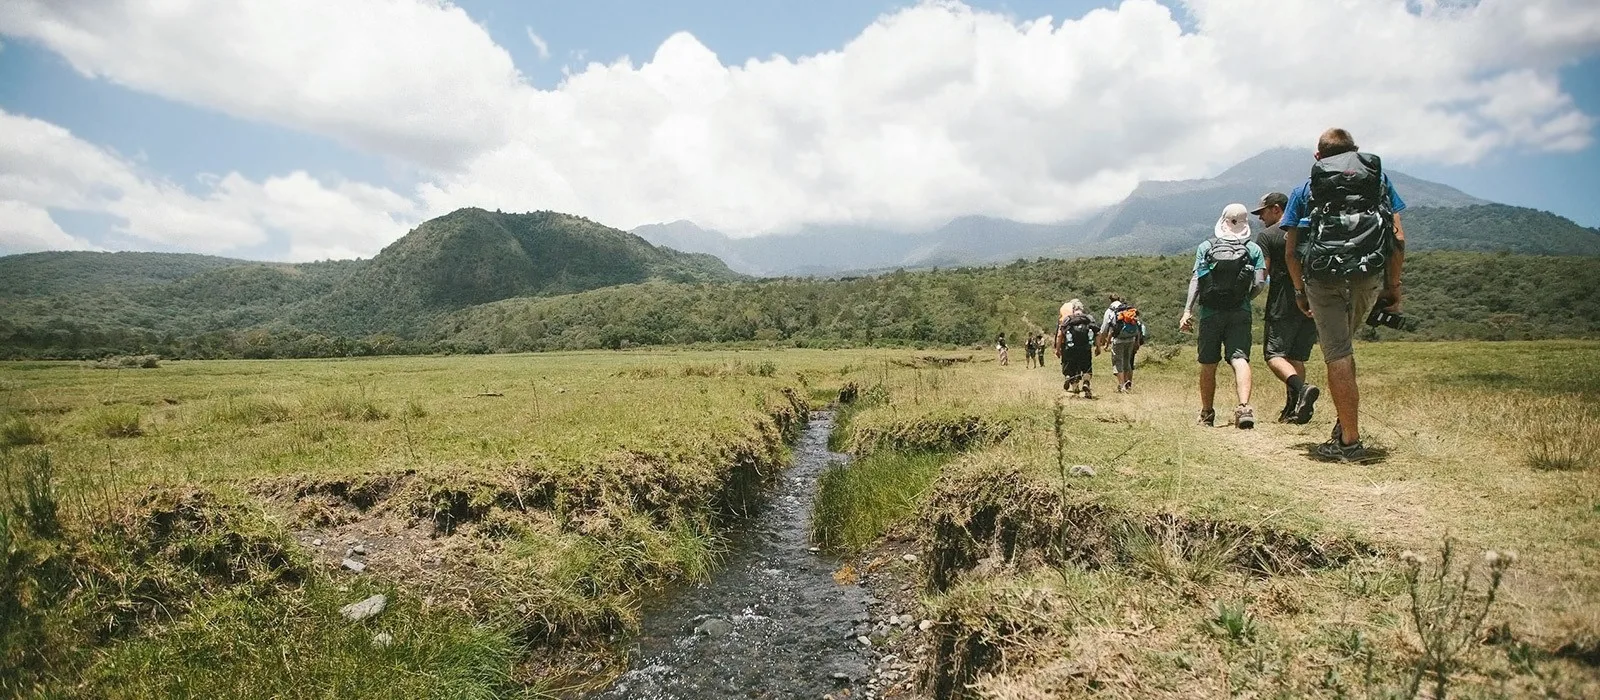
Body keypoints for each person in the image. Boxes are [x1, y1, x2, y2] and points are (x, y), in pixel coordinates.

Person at [1282, 128, 1407, 462]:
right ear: (1356, 151)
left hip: (1322, 279)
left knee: (1337, 353)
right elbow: (1398, 239)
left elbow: (1291, 251)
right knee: (1345, 350)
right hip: (1368, 275)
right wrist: (1393, 288)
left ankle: (1349, 442)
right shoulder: (1379, 183)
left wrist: (1299, 290)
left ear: (1318, 157)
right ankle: (1344, 425)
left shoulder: (1304, 189)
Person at [1179, 203, 1266, 429]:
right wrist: (1245, 298)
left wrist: (1188, 310)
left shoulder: (1206, 247)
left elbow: (1196, 280)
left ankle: (1207, 413)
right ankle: (1244, 407)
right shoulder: (1253, 250)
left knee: (1209, 363)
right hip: (1240, 311)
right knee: (1239, 358)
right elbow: (1259, 283)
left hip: (1210, 312)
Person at [1252, 192, 1321, 423]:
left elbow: (1262, 275)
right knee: (1296, 356)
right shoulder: (1308, 231)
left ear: (1276, 208)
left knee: (1274, 355)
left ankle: (1301, 390)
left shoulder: (1267, 236)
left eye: (1262, 212)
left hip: (1282, 303)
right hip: (1312, 301)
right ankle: (1294, 409)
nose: (1261, 218)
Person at [1097, 295, 1146, 392]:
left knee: (1118, 362)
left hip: (1118, 340)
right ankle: (1128, 382)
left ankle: (1122, 385)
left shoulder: (1110, 311)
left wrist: (1102, 342)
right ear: (1119, 300)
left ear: (1110, 301)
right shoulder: (1127, 309)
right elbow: (1138, 324)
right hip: (1131, 338)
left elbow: (1105, 328)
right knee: (1127, 361)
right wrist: (1137, 341)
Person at [1056, 300, 1097, 398]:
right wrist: (1098, 347)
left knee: (1073, 368)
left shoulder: (1068, 319)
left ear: (1073, 309)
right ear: (1082, 309)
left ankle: (1075, 389)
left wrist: (1058, 349)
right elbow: (1097, 333)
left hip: (1071, 349)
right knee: (1087, 367)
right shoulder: (1088, 318)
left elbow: (1060, 335)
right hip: (1085, 348)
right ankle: (1086, 382)